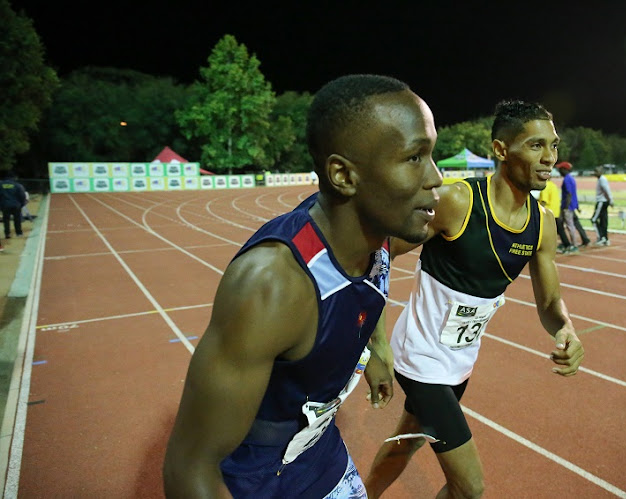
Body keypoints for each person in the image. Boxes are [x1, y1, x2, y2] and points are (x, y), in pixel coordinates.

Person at [163, 74, 443, 498]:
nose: (436, 177)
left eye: (432, 155)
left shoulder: (378, 229)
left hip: (320, 457)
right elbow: (191, 467)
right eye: (414, 158)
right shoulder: (272, 287)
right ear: (344, 176)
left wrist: (377, 349)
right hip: (256, 480)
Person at [364, 100, 584, 498]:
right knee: (470, 487)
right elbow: (376, 251)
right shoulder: (457, 202)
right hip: (419, 358)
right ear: (501, 150)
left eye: (553, 145)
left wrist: (566, 329)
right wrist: (377, 346)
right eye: (536, 146)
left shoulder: (542, 225)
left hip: (459, 362)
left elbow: (550, 305)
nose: (550, 157)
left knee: (406, 444)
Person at [556, 161, 590, 252]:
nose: (559, 171)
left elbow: (569, 194)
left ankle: (573, 245)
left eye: (560, 169)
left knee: (569, 226)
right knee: (566, 224)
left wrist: (565, 207)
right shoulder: (571, 178)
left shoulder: (567, 179)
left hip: (568, 206)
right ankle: (567, 242)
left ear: (564, 169)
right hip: (572, 205)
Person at [537, 178, 572, 253]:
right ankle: (567, 245)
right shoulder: (553, 185)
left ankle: (567, 245)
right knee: (559, 230)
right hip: (555, 211)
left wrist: (538, 212)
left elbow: (544, 201)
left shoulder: (545, 186)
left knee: (546, 231)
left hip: (548, 213)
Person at [0, 171, 26, 240]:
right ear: (13, 177)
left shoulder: (1, 184)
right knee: (17, 219)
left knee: (6, 220)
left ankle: (7, 233)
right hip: (16, 205)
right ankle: (19, 233)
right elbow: (22, 195)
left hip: (4, 205)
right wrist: (22, 203)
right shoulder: (17, 185)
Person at [591, 166, 613, 245]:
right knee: (603, 221)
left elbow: (607, 190)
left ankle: (601, 238)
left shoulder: (602, 180)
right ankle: (605, 238)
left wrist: (611, 200)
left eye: (596, 171)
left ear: (601, 172)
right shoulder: (601, 179)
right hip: (604, 201)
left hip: (601, 202)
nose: (594, 173)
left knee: (593, 219)